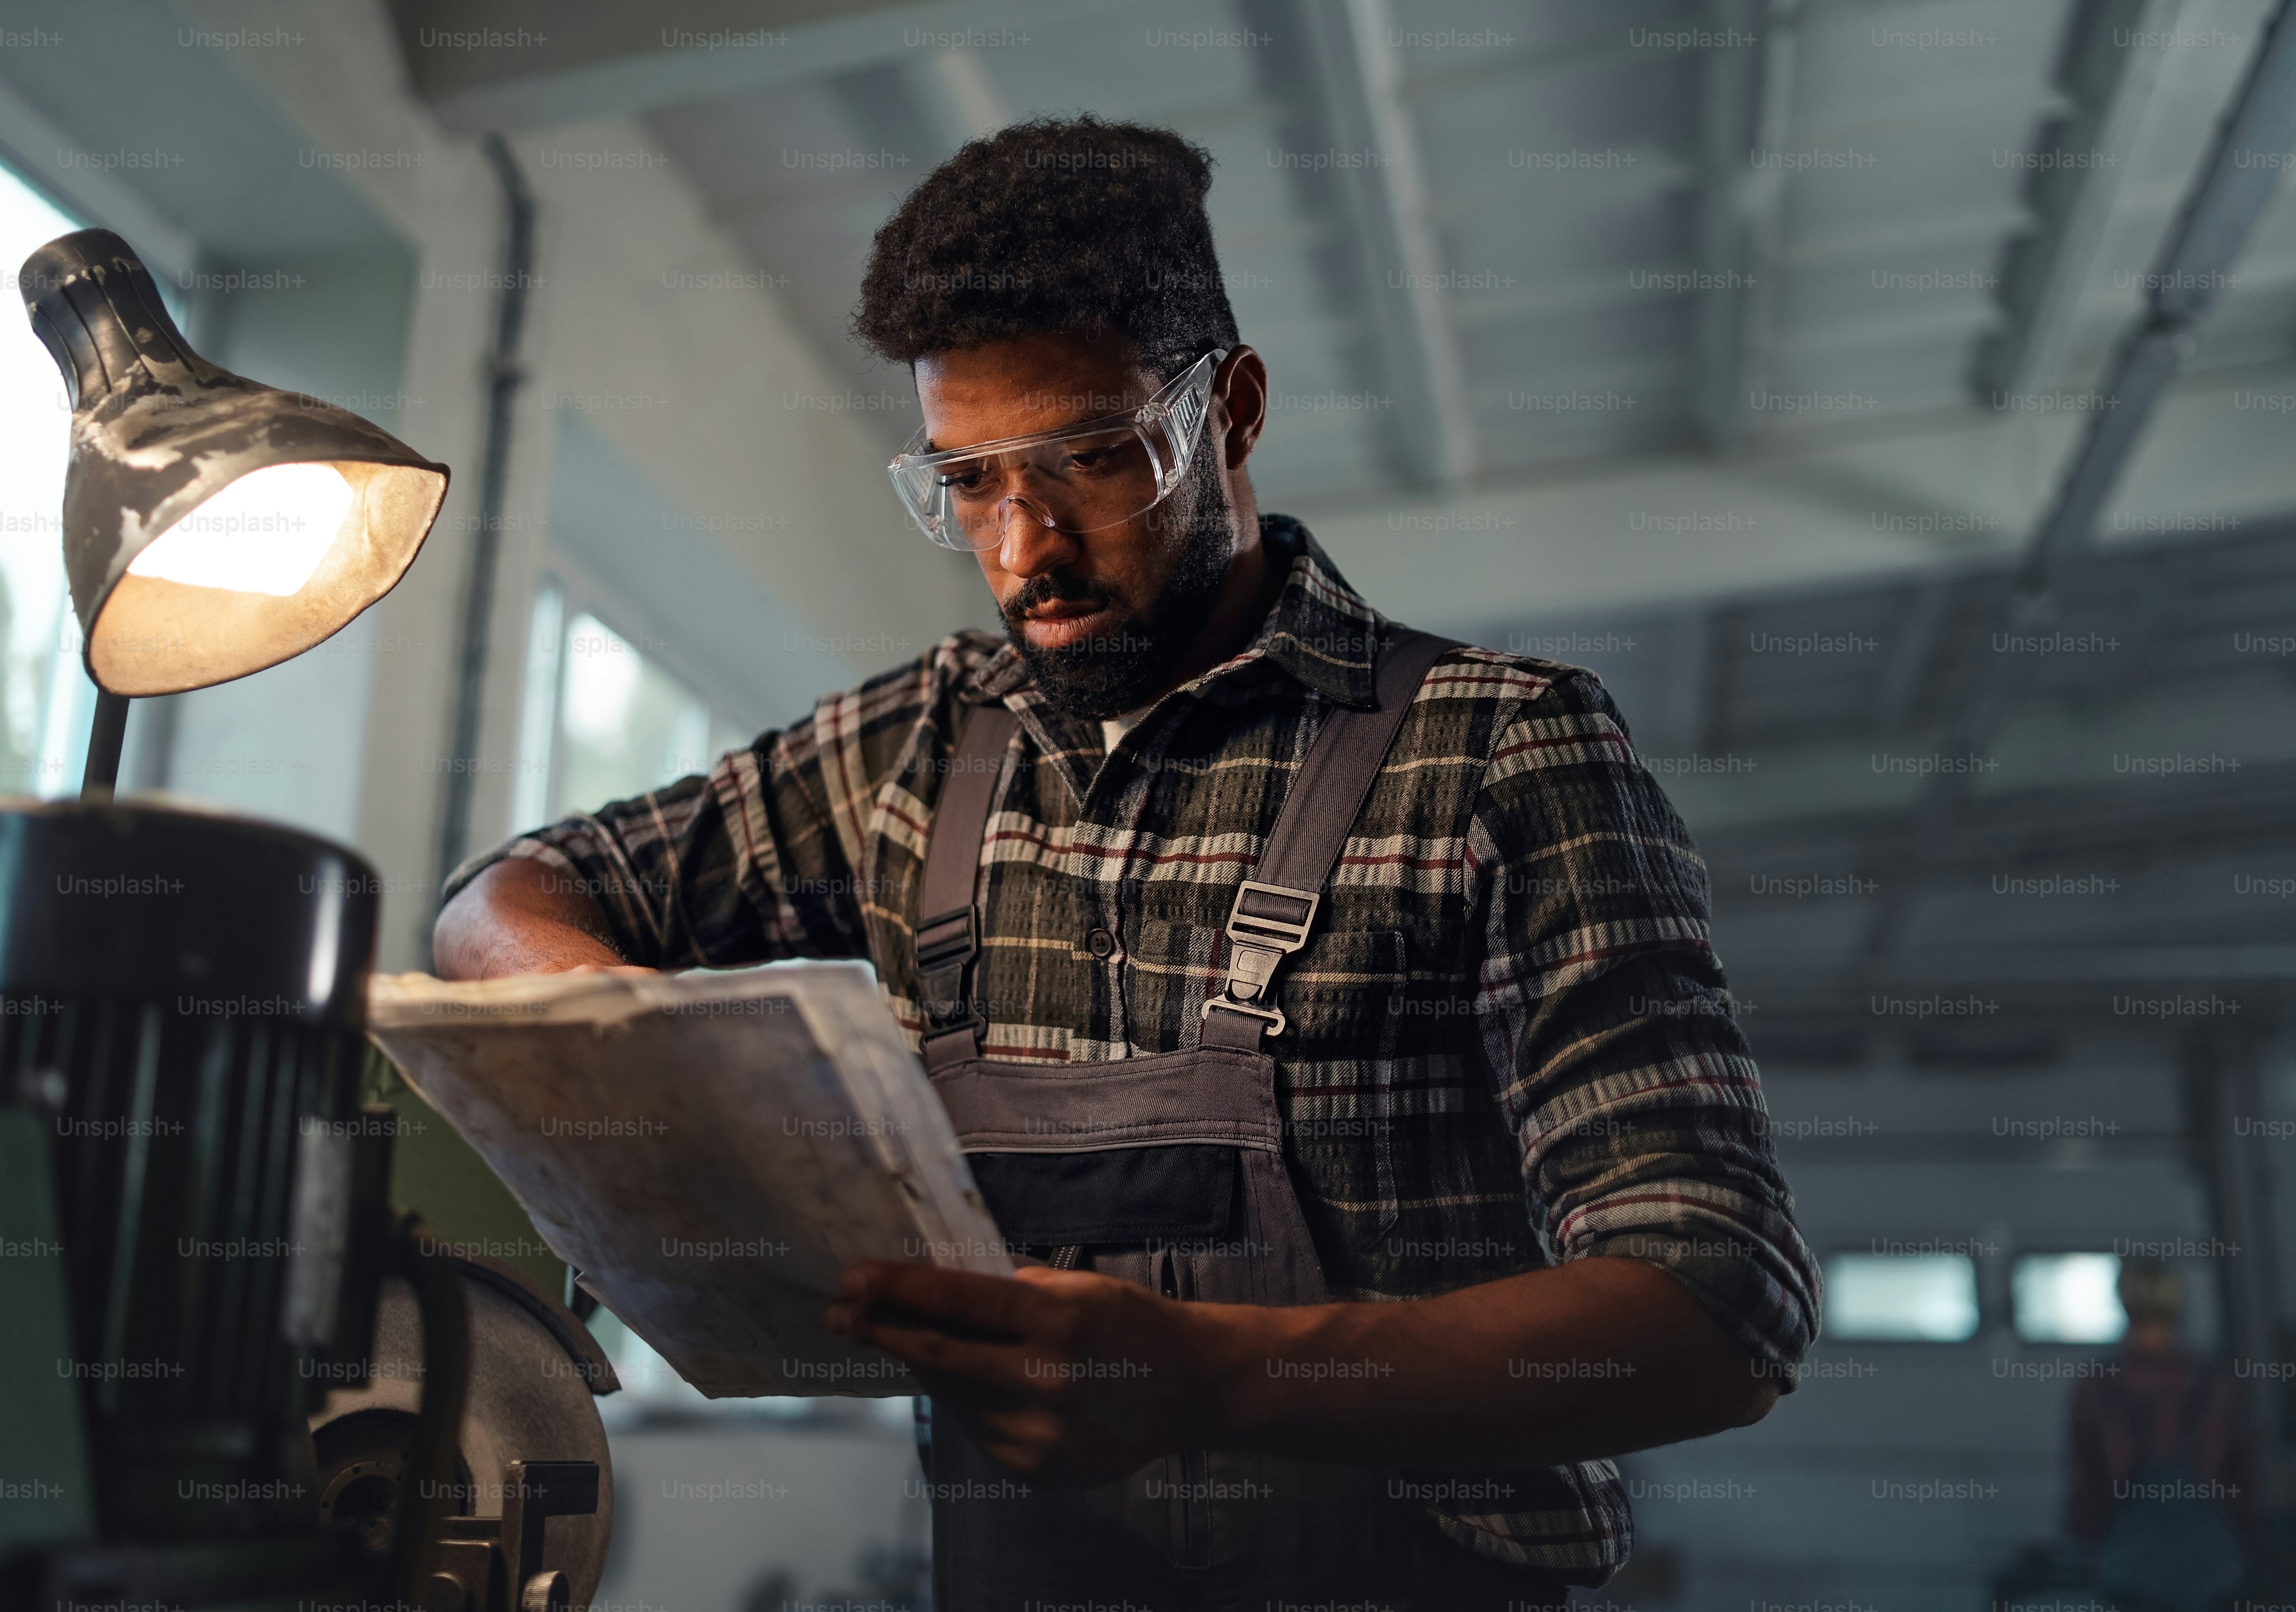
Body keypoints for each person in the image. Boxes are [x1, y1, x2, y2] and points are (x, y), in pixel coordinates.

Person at [435, 115, 1821, 1610]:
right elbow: (497, 904)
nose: (1028, 547)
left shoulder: (1500, 752)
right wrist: (668, 1082)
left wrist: (1219, 1377)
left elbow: (1716, 1303)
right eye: (967, 481)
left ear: (1231, 407)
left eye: (1092, 458)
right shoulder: (904, 754)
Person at [2065, 1259, 2256, 1609]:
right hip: (2210, 1553)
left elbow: (2086, 1481)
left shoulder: (2100, 1384)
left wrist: (2087, 1541)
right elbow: (2241, 1478)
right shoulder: (2214, 1382)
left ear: (2123, 1303)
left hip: (2131, 1553)